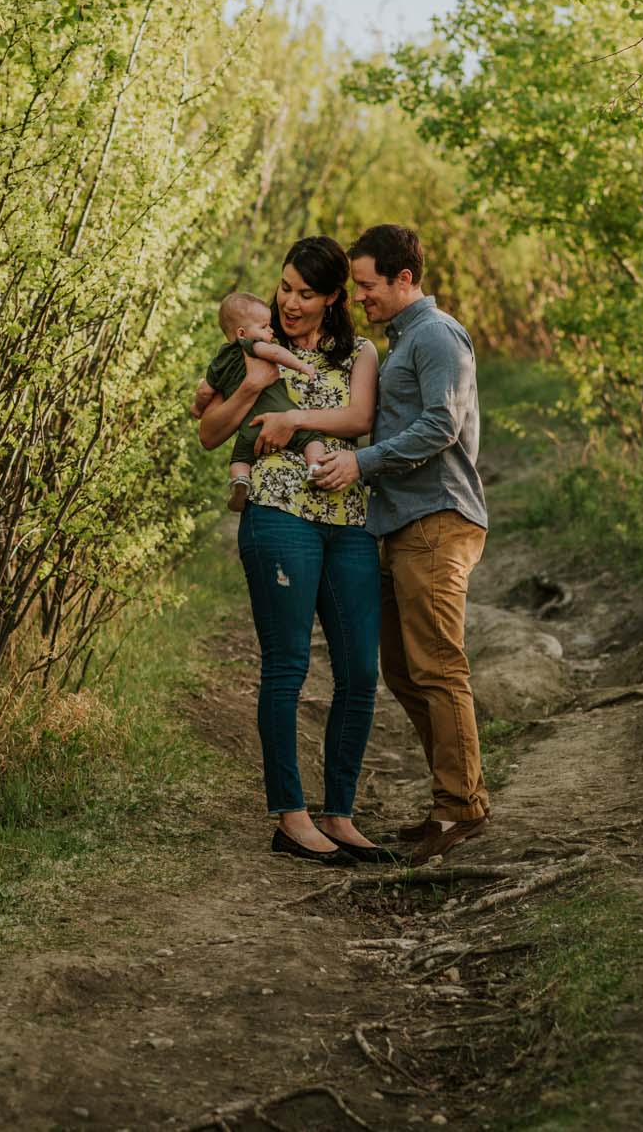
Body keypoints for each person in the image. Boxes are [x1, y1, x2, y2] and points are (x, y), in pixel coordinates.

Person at [194, 237, 395, 866]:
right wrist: (253, 389)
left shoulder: (358, 351)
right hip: (279, 515)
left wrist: (292, 424)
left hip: (348, 518)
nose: (290, 302)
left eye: (306, 293)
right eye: (285, 288)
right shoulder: (250, 347)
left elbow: (360, 417)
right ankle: (292, 817)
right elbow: (209, 432)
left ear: (334, 297)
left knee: (361, 670)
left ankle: (339, 813)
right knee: (287, 666)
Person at [310, 223, 490, 866]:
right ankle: (455, 798)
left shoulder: (437, 336)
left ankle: (460, 807)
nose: (360, 297)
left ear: (404, 278)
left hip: (438, 519)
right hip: (400, 525)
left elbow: (441, 425)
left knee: (437, 665)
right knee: (403, 669)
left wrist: (363, 464)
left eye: (367, 285)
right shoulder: (404, 341)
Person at [199, 291, 335, 512]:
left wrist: (196, 408)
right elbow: (277, 354)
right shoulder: (253, 346)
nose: (270, 330)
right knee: (312, 437)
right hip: (281, 416)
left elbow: (205, 390)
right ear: (242, 333)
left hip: (249, 430)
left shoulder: (219, 362)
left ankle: (240, 481)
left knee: (239, 458)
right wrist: (302, 366)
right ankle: (314, 468)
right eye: (264, 327)